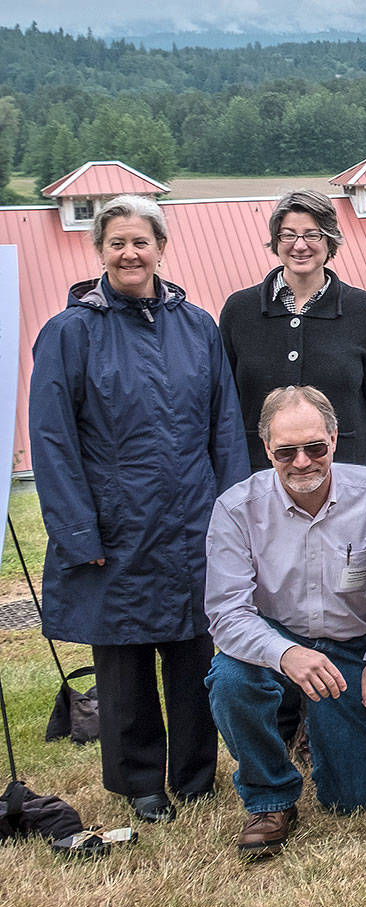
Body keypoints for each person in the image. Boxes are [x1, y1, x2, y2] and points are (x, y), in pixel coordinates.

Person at [29, 194, 247, 823]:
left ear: (161, 248)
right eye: (117, 242)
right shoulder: (69, 332)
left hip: (193, 520)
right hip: (114, 526)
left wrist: (232, 518)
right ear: (99, 250)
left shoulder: (198, 327)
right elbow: (52, 440)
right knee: (123, 660)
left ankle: (195, 773)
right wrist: (77, 531)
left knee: (194, 654)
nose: (130, 253)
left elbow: (225, 428)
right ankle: (140, 781)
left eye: (140, 241)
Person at [203, 386, 366, 857]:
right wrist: (286, 653)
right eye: (286, 451)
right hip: (276, 637)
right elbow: (226, 613)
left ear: (334, 439)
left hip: (352, 644)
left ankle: (319, 732)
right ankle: (270, 797)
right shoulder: (236, 509)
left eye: (315, 447)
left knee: (353, 800)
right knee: (230, 679)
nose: (302, 462)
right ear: (267, 449)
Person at [219, 190, 366, 482]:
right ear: (276, 241)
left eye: (312, 235)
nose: (300, 245)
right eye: (288, 235)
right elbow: (224, 407)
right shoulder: (240, 311)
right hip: (262, 477)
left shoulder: (363, 310)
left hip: (350, 477)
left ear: (329, 240)